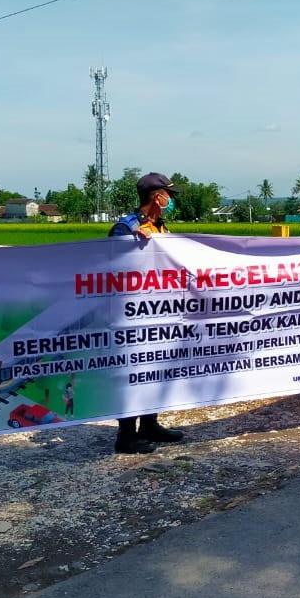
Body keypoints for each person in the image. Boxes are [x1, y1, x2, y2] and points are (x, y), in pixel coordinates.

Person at [107, 172, 187, 454]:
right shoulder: (125, 228)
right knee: (133, 373)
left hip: (159, 311)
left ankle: (150, 424)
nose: (171, 200)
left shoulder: (162, 228)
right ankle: (126, 435)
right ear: (157, 196)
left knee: (156, 369)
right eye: (169, 195)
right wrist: (133, 243)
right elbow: (112, 267)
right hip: (131, 315)